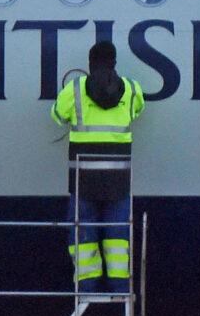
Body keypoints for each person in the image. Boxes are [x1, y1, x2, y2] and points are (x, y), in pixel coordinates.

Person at [53, 40, 144, 296]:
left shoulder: (74, 90)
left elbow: (57, 115)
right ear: (114, 62)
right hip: (119, 181)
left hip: (83, 181)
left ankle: (86, 296)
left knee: (83, 241)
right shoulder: (132, 90)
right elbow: (138, 111)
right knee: (118, 242)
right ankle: (121, 299)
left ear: (90, 63)